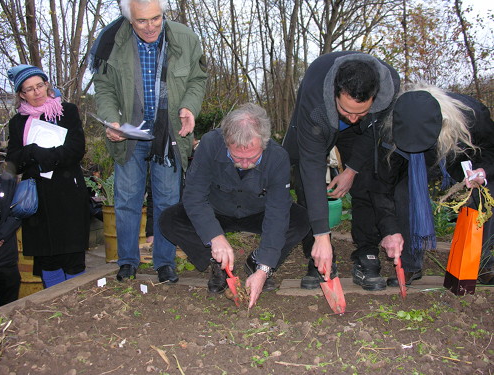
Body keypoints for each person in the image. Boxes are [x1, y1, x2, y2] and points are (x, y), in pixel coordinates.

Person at [90, 0, 207, 282]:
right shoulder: (110, 42)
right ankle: (128, 261)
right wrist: (111, 120)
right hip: (129, 134)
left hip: (169, 135)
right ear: (130, 20)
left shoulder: (186, 38)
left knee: (168, 200)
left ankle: (164, 262)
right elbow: (103, 88)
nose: (151, 26)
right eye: (142, 21)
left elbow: (197, 79)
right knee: (127, 200)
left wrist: (190, 108)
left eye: (156, 18)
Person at [160, 103, 310, 308]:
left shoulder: (278, 157)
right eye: (238, 157)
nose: (246, 163)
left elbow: (277, 213)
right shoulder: (210, 144)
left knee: (300, 219)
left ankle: (256, 261)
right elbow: (194, 196)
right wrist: (214, 237)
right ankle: (218, 263)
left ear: (264, 143)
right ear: (226, 141)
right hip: (217, 211)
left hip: (258, 211)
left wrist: (263, 269)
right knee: (170, 219)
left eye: (253, 157)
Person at [282, 51, 400, 291]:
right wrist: (322, 234)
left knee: (368, 176)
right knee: (305, 181)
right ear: (335, 94)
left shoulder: (389, 87)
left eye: (361, 112)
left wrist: (352, 170)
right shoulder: (314, 97)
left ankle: (366, 252)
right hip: (318, 125)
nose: (354, 118)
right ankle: (319, 254)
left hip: (362, 137)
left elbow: (371, 132)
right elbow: (312, 165)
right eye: (347, 111)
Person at [371, 82, 494, 286]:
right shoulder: (388, 131)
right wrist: (390, 231)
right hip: (417, 167)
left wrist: (483, 171)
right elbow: (382, 187)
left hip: (461, 161)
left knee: (484, 194)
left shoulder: (473, 115)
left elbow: (492, 151)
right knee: (404, 192)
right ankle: (410, 264)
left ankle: (482, 263)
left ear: (442, 124)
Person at [6, 64, 90, 288]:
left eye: (40, 85)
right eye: (30, 89)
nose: (37, 92)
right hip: (38, 199)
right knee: (47, 258)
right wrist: (31, 151)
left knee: (72, 256)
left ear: (47, 85)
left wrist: (43, 155)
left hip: (68, 193)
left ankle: (75, 302)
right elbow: (13, 161)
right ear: (22, 94)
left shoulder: (67, 111)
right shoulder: (17, 123)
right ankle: (53, 305)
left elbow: (76, 149)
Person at [0, 138, 22, 306]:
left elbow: (17, 211)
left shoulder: (7, 180)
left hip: (6, 255)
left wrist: (0, 235)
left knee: (9, 305)